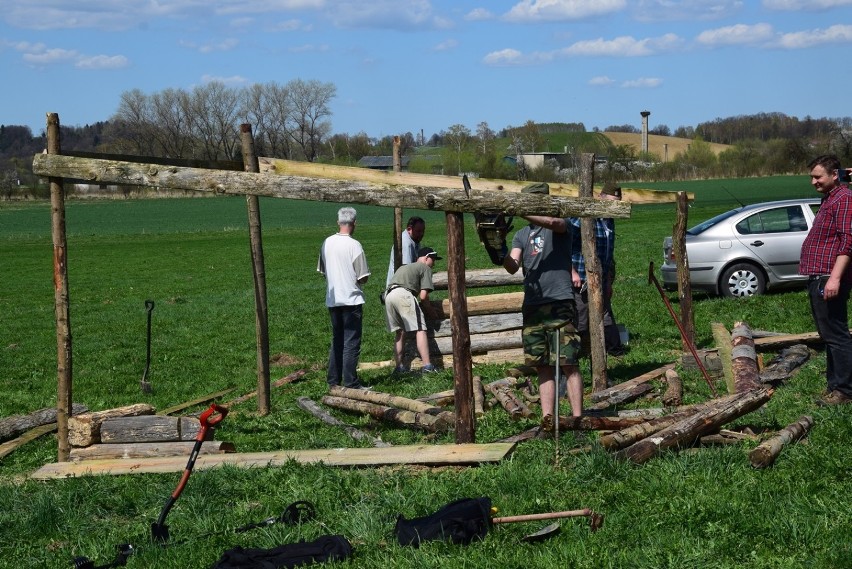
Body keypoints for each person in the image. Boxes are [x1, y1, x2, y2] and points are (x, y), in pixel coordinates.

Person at [502, 182, 584, 425]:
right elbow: (512, 266)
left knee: (568, 362)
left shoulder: (560, 225)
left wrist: (518, 210)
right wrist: (497, 251)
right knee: (541, 364)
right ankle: (548, 419)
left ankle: (578, 419)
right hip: (534, 304)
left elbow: (554, 223)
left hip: (559, 301)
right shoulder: (521, 235)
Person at [799, 155, 852, 406]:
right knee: (829, 333)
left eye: (818, 176)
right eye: (811, 176)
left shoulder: (843, 199)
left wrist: (834, 278)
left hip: (827, 276)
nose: (813, 181)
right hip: (820, 275)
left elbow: (848, 242)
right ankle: (835, 386)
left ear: (834, 174)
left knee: (837, 334)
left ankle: (845, 391)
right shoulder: (831, 198)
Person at [568, 182, 626, 356]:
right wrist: (572, 272)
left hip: (600, 278)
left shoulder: (609, 221)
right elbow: (565, 246)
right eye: (610, 201)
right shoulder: (583, 217)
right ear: (600, 197)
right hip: (581, 278)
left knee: (605, 314)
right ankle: (576, 356)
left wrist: (608, 281)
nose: (613, 206)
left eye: (617, 202)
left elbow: (608, 255)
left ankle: (614, 351)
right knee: (581, 317)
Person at [317, 207, 371, 389]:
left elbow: (323, 271)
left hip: (333, 300)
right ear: (354, 223)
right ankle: (350, 382)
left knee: (337, 339)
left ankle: (333, 380)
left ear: (338, 222)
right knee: (351, 342)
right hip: (351, 299)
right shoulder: (354, 245)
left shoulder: (326, 243)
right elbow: (363, 276)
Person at [384, 247, 441, 374]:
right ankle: (427, 366)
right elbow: (423, 297)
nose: (434, 263)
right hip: (404, 295)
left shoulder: (404, 267)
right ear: (426, 258)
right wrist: (432, 313)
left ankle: (399, 368)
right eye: (433, 259)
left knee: (400, 332)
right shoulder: (425, 268)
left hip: (389, 295)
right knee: (420, 329)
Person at [386, 216, 427, 285]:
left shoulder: (415, 240)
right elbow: (407, 268)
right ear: (409, 229)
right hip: (399, 286)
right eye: (419, 231)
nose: (421, 234)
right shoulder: (406, 243)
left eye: (423, 231)